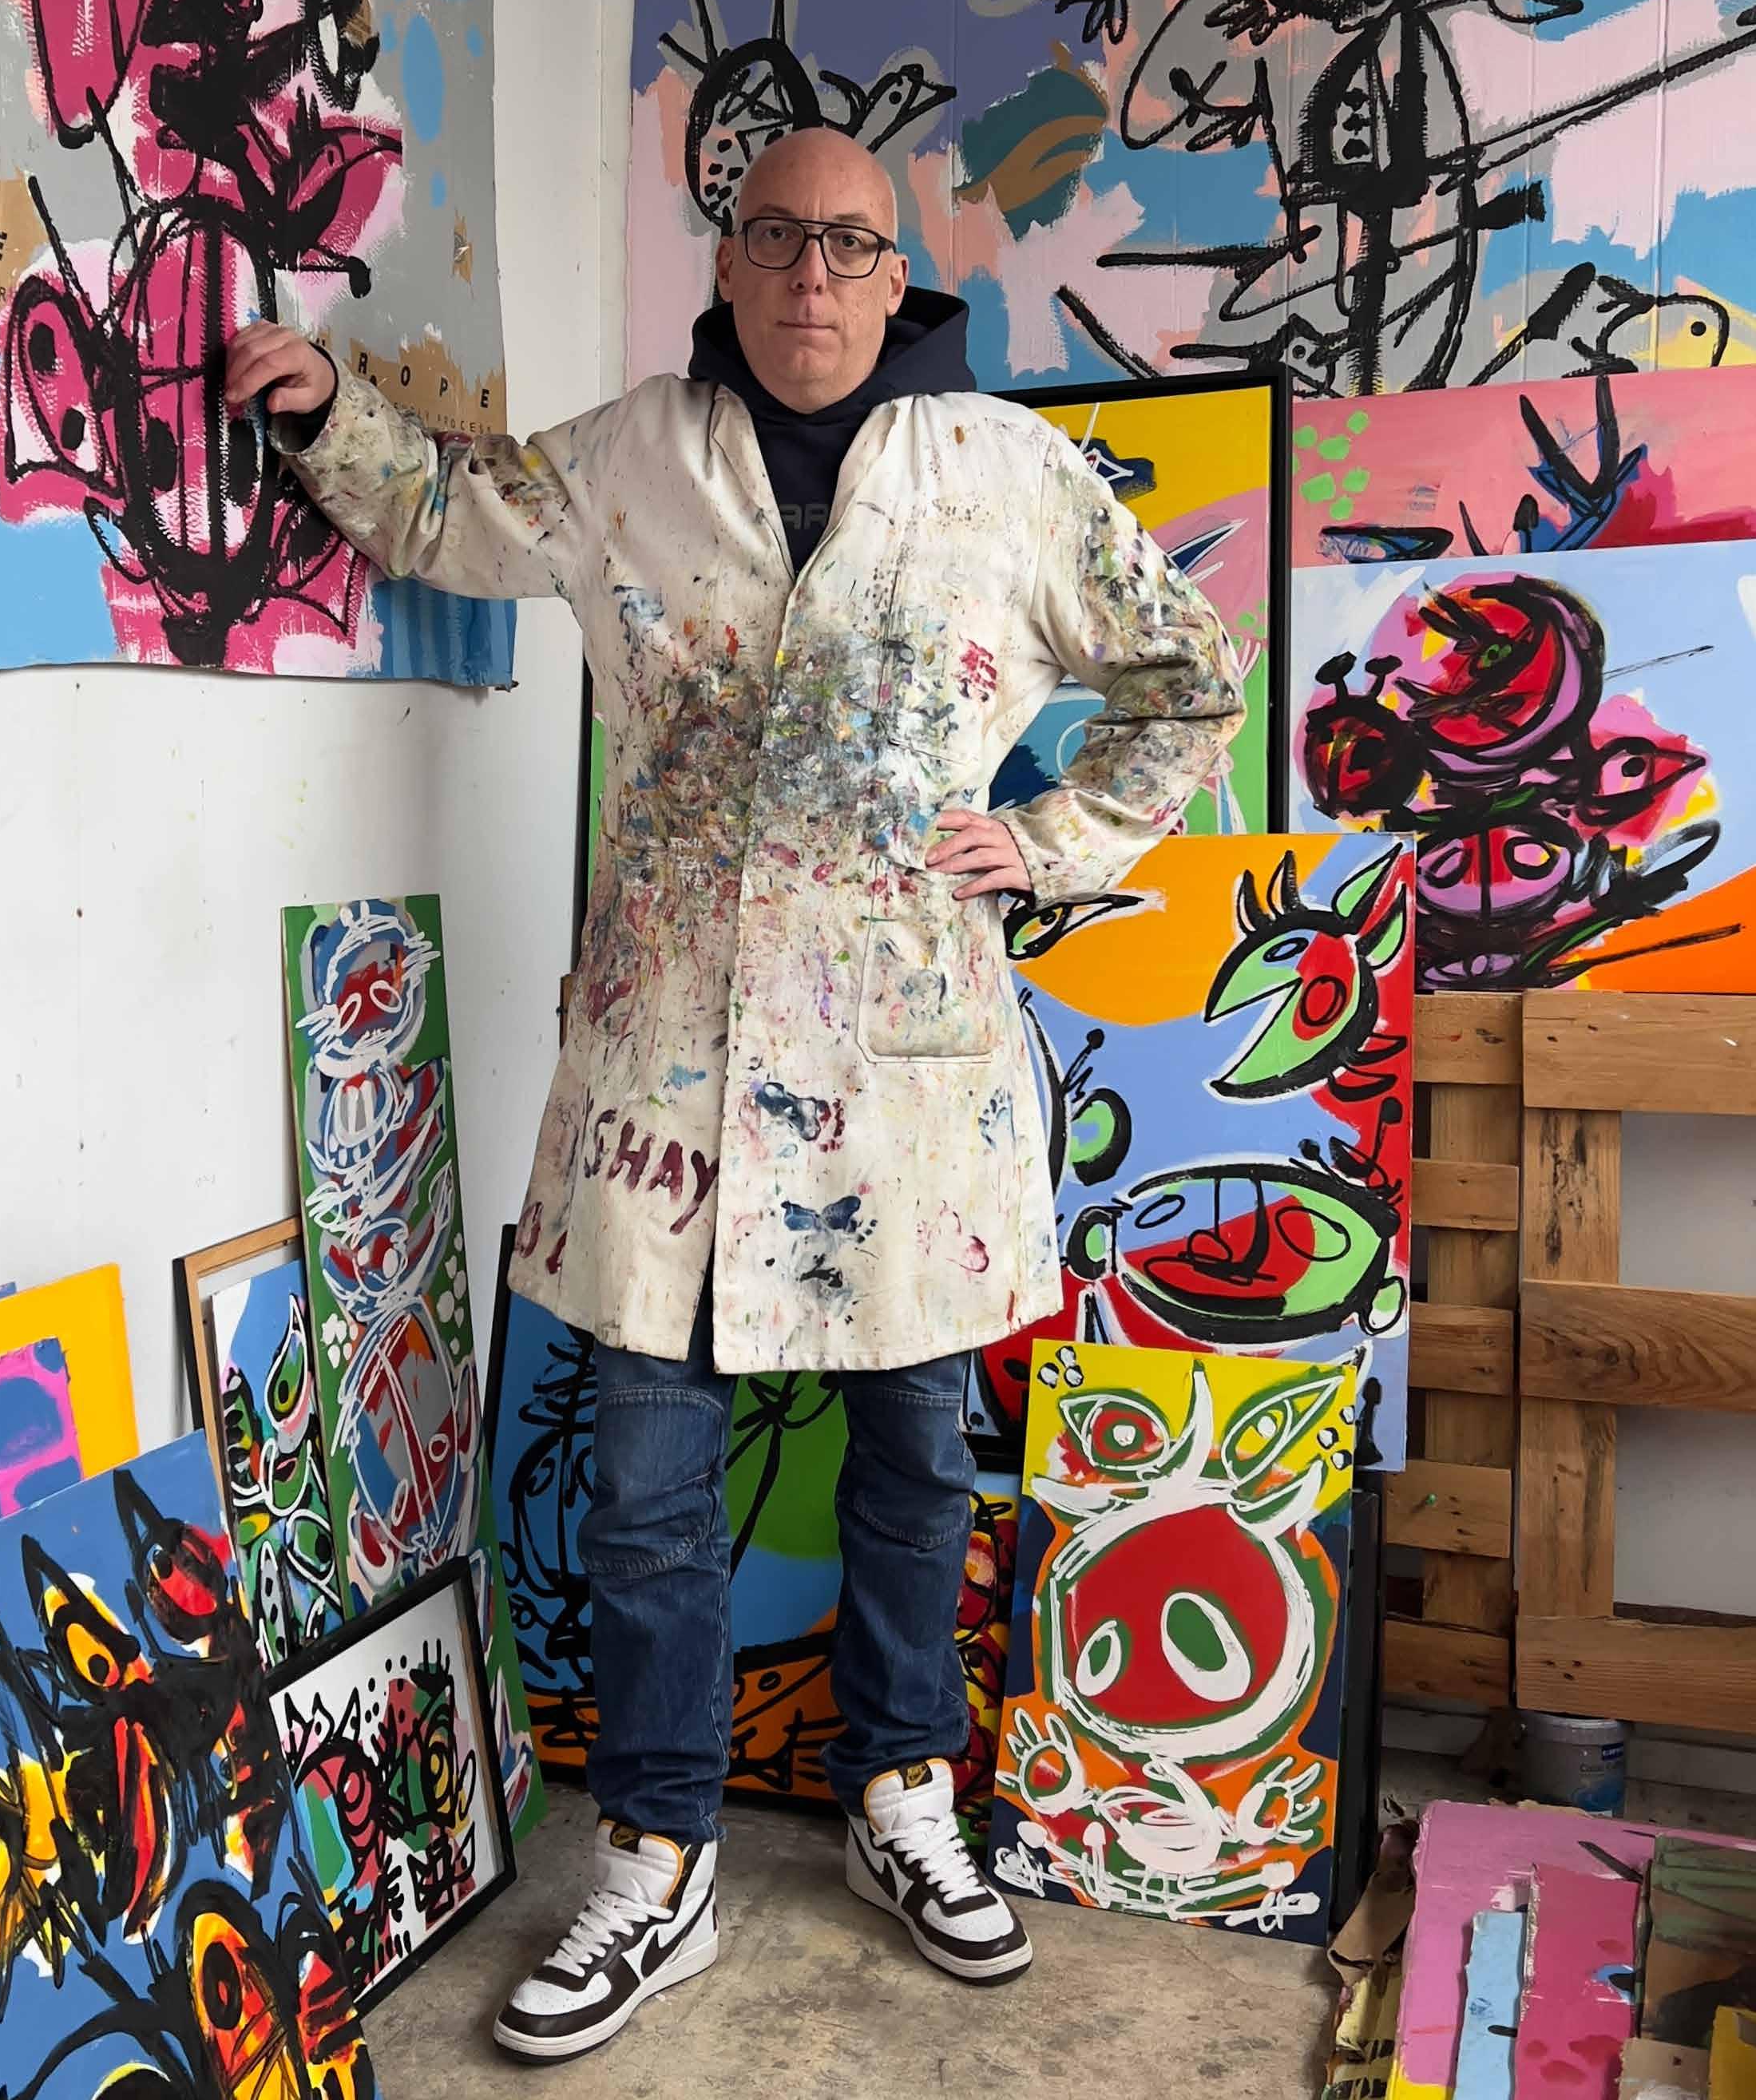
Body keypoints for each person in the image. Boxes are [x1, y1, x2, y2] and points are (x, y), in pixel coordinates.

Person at [226, 129, 1245, 2063]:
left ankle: (899, 1796)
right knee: (642, 1486)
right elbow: (452, 520)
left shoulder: (1002, 473)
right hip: (667, 1076)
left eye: (847, 244)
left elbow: (1185, 676)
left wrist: (1049, 841)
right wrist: (321, 414)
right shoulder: (635, 455)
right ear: (729, 257)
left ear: (895, 273)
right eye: (774, 237)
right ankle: (657, 1851)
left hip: (906, 1076)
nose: (808, 277)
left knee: (915, 1467)